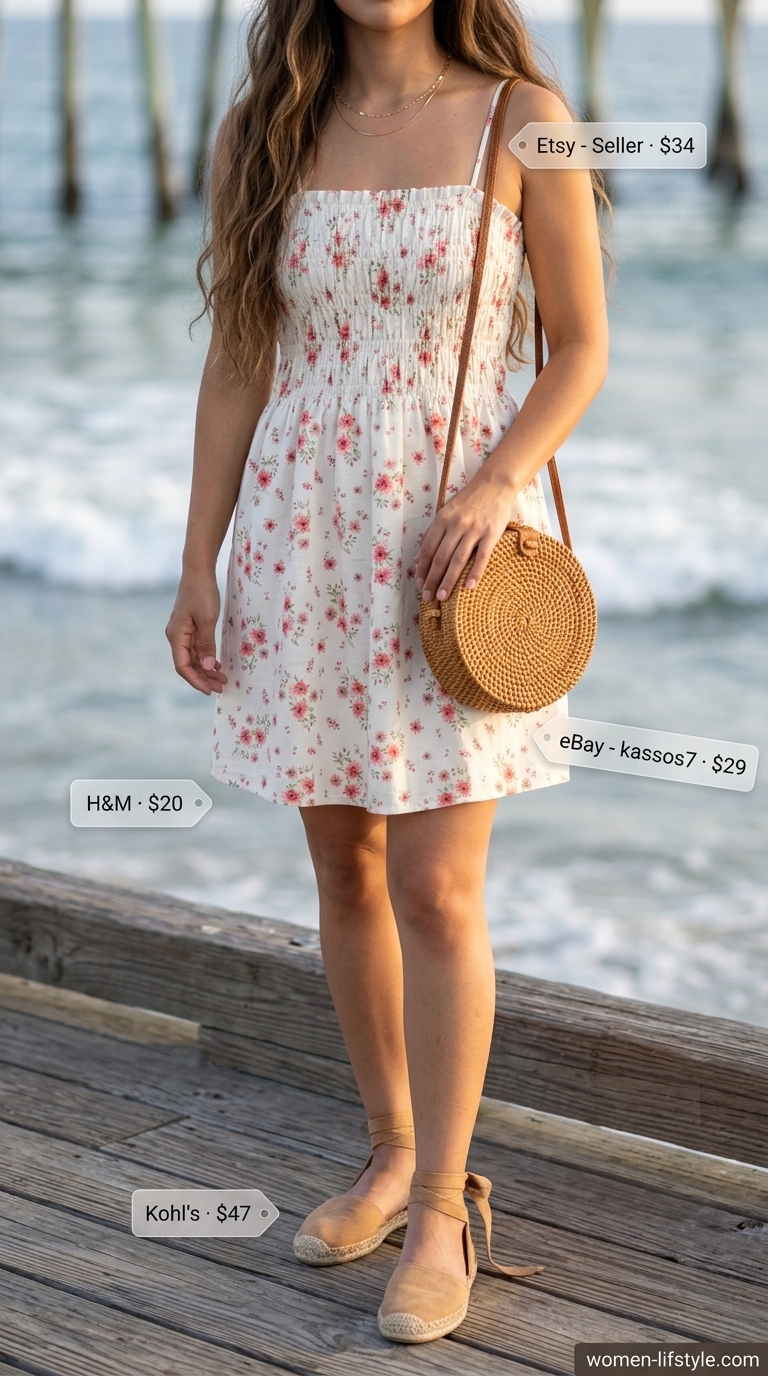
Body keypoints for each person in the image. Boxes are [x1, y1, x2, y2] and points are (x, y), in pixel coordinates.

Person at [166, 0, 608, 1344]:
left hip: (451, 547)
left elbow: (581, 344)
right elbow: (243, 358)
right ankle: (389, 1150)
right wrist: (200, 560)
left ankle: (443, 1212)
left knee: (433, 882)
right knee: (344, 867)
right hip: (305, 534)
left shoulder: (524, 118)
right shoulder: (267, 128)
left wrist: (494, 481)